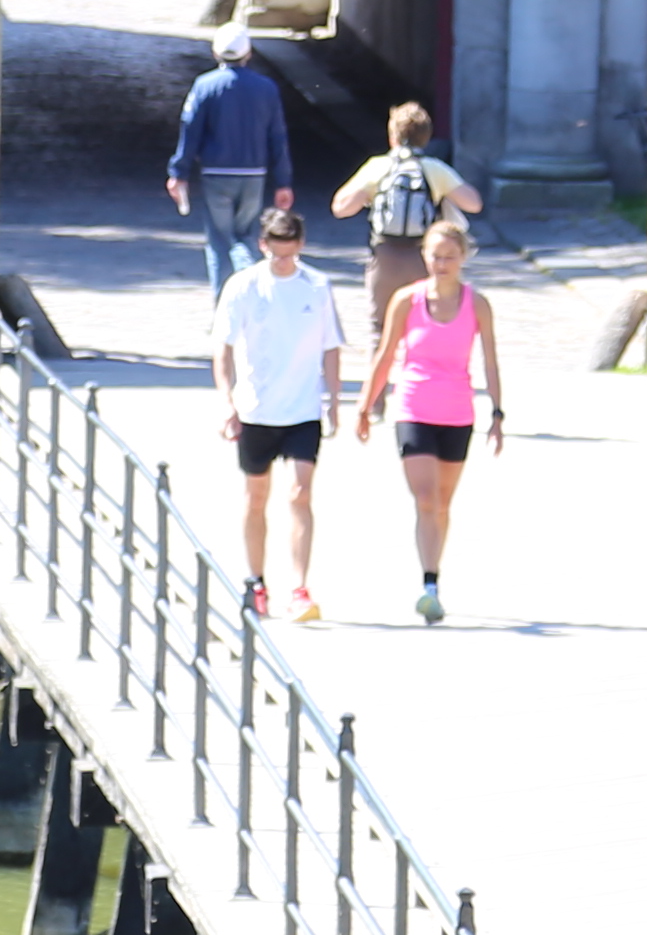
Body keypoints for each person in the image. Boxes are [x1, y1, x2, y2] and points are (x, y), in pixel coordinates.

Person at [349, 217, 511, 623]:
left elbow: (490, 360)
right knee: (424, 498)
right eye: (435, 256)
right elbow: (385, 355)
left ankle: (434, 578)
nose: (441, 264)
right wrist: (365, 405)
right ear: (424, 256)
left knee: (442, 503)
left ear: (463, 259)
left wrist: (497, 412)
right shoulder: (407, 300)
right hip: (414, 407)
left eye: (450, 257)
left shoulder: (477, 304)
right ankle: (429, 585)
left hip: (457, 412)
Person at [208, 193, 343, 622]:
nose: (285, 262)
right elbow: (223, 348)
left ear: (300, 245)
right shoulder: (243, 286)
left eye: (292, 253)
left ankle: (300, 588)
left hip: (303, 409)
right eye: (277, 253)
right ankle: (256, 580)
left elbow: (331, 346)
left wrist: (335, 401)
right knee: (256, 497)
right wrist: (226, 401)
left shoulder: (317, 286)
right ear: (264, 245)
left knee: (301, 493)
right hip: (256, 408)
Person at [162, 28, 289, 302]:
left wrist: (179, 172)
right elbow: (277, 137)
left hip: (216, 173)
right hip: (255, 174)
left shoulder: (205, 85)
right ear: (249, 53)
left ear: (216, 52)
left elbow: (190, 131)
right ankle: (254, 295)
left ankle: (225, 303)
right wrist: (283, 181)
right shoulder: (266, 88)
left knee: (221, 240)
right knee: (247, 234)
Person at [325, 99, 483, 318]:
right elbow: (473, 204)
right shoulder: (433, 168)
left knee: (380, 328)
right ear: (426, 138)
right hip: (423, 259)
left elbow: (340, 208)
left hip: (385, 257)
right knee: (423, 322)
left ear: (392, 138)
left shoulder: (378, 166)